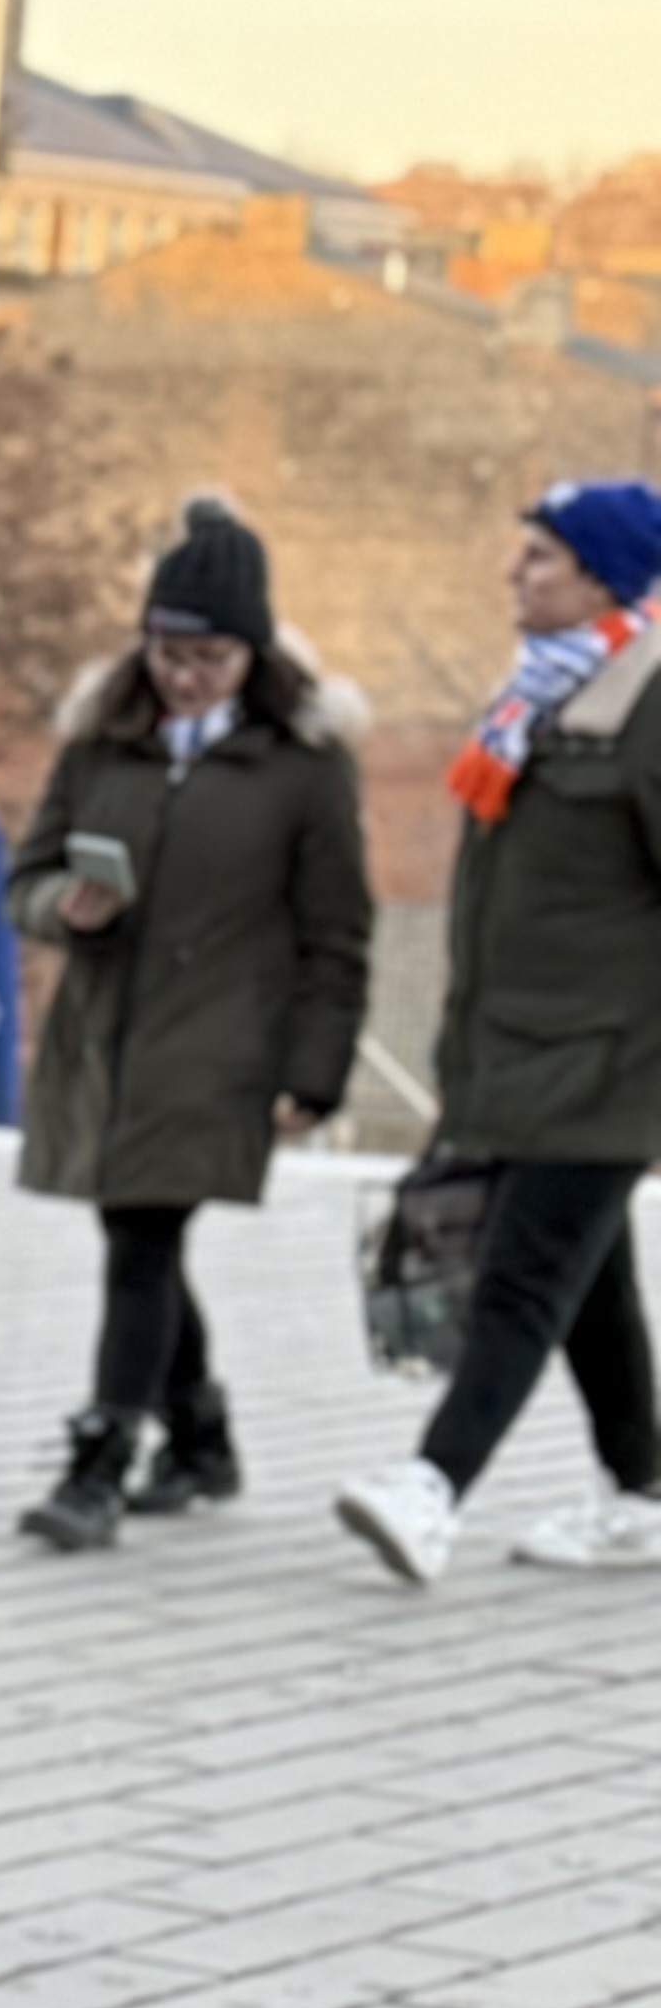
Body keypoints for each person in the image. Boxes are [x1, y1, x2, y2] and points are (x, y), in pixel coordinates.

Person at [6, 499, 373, 1551]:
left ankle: (102, 1458)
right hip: (104, 1038)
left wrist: (316, 1070)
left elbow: (336, 933)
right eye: (168, 652)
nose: (185, 676)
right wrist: (61, 911)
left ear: (251, 655)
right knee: (141, 1237)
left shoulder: (302, 770)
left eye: (209, 657)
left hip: (220, 1044)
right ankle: (202, 1435)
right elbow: (26, 875)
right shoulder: (102, 747)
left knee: (142, 1237)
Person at [340, 477, 661, 1581]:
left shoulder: (650, 702)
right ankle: (643, 1491)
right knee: (587, 1279)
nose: (514, 574)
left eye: (541, 558)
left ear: (604, 579)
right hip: (520, 1048)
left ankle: (433, 1488)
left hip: (615, 1057)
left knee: (524, 1278)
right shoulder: (537, 701)